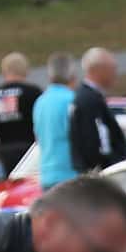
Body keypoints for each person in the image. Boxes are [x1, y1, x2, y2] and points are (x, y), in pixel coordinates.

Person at [71, 46, 126, 172]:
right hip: (102, 174)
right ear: (99, 70)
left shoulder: (84, 96)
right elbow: (97, 140)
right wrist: (108, 165)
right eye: (112, 69)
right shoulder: (90, 100)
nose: (115, 73)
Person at [0, 52, 42, 174]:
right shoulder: (33, 92)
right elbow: (41, 123)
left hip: (4, 151)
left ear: (5, 70)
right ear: (25, 70)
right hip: (29, 151)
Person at [33, 52, 79, 188]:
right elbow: (77, 137)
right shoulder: (72, 100)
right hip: (70, 174)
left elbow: (38, 138)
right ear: (72, 75)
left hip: (46, 174)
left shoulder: (40, 102)